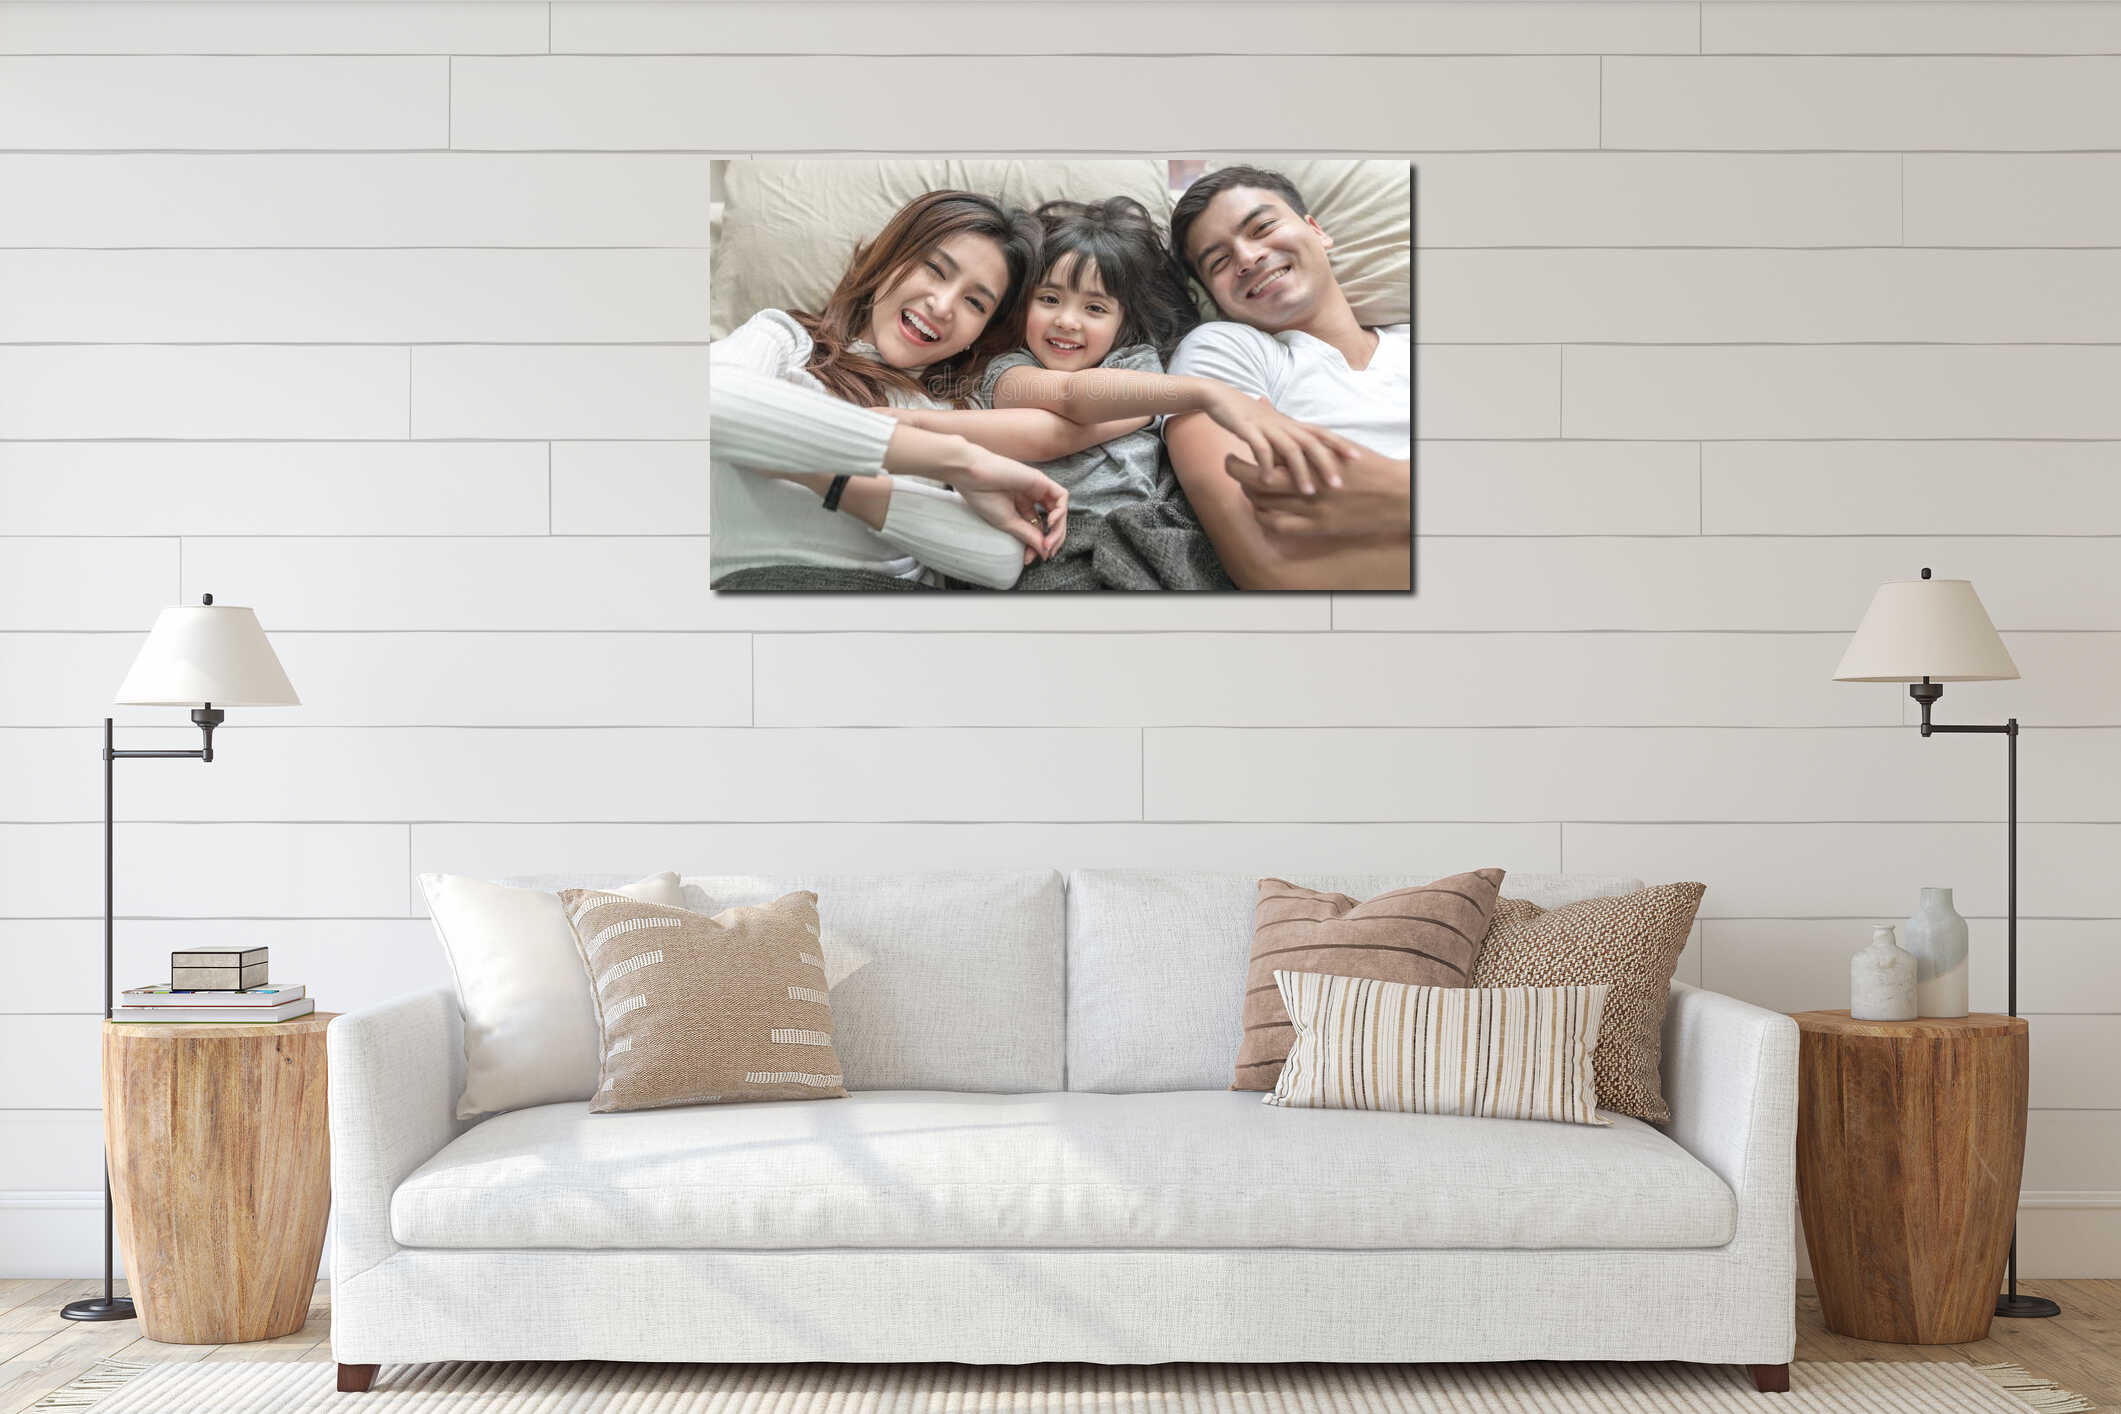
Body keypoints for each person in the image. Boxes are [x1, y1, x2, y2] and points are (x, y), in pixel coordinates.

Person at [883, 196, 1363, 530]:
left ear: (1123, 321)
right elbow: (1072, 402)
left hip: (1152, 521)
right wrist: (1206, 394)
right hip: (1057, 529)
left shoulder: (1138, 363)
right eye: (1049, 299)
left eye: (1095, 308)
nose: (1067, 322)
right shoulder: (1007, 368)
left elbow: (1124, 407)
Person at [708, 190, 1069, 591]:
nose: (944, 304)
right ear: (890, 257)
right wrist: (954, 459)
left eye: (975, 303)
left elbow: (1000, 561)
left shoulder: (951, 409)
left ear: (981, 332)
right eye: (935, 268)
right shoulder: (785, 340)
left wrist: (816, 471)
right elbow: (712, 401)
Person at [1163, 165, 1413, 590]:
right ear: (1214, 298)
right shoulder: (1223, 351)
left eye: (1263, 227)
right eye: (1219, 261)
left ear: (1317, 231)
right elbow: (1272, 569)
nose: (1247, 258)